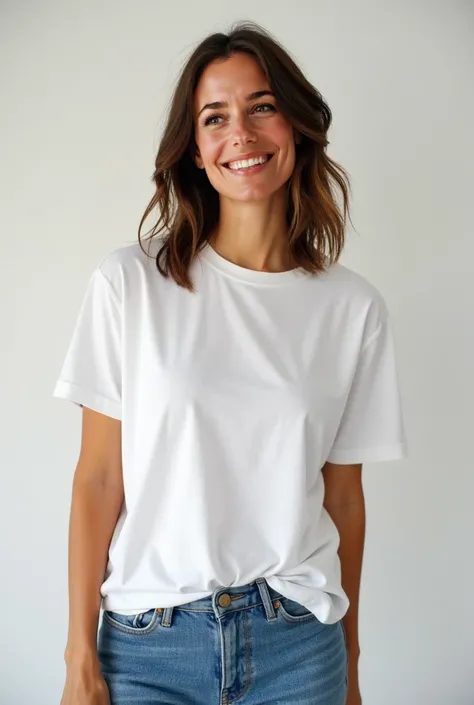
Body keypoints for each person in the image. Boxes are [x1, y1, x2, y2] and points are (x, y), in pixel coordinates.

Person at [54, 21, 407, 705]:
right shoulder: (131, 284)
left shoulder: (352, 309)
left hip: (299, 647)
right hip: (148, 647)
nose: (240, 134)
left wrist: (352, 665)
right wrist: (78, 654)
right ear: (193, 150)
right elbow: (98, 480)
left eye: (262, 106)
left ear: (296, 126)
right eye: (215, 117)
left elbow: (344, 502)